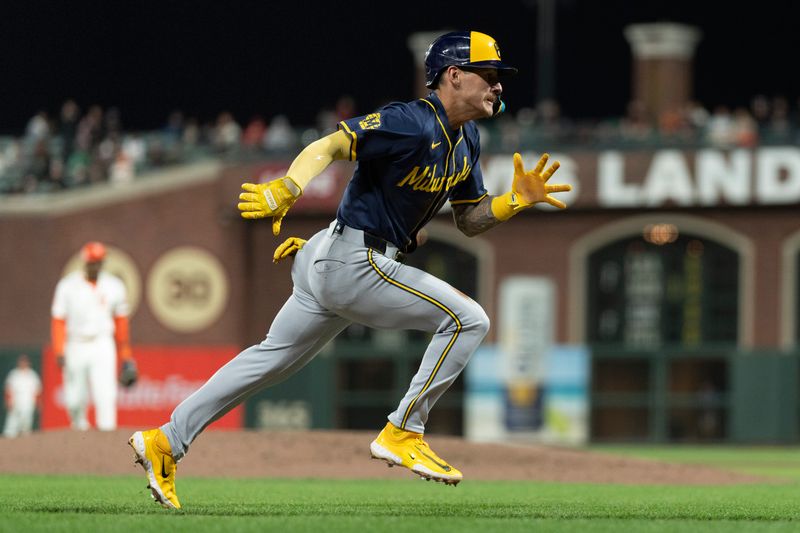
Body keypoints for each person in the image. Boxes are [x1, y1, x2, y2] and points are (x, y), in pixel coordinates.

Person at [129, 30, 571, 509]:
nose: (498, 86)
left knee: (265, 362)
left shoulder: (467, 140)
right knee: (470, 319)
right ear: (453, 75)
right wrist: (290, 186)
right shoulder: (412, 121)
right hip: (353, 260)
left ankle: (165, 441)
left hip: (338, 255)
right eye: (489, 74)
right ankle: (404, 430)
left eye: (499, 78)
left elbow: (469, 220)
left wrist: (513, 201)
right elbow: (330, 146)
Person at [51, 241, 137, 431]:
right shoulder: (68, 285)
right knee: (74, 398)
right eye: (92, 261)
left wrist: (126, 355)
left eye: (98, 261)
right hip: (75, 343)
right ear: (85, 261)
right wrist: (59, 348)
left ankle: (106, 435)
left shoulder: (114, 285)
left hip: (102, 343)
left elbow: (121, 322)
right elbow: (58, 319)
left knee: (105, 393)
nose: (95, 265)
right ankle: (79, 434)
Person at [3, 354, 42, 438]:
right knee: (12, 425)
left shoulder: (32, 375)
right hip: (16, 402)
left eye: (25, 362)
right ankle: (7, 444)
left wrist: (38, 403)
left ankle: (24, 445)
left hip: (28, 403)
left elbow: (37, 391)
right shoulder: (13, 374)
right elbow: (8, 389)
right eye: (22, 362)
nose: (23, 363)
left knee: (26, 425)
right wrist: (8, 401)